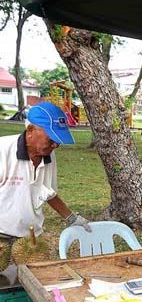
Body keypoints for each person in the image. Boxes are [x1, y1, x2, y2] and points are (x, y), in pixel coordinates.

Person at [0, 102, 92, 258]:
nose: (55, 145)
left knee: (30, 280)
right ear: (30, 130)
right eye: (51, 139)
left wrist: (71, 218)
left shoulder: (48, 154)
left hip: (31, 237)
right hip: (1, 236)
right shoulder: (3, 150)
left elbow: (47, 191)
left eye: (58, 140)